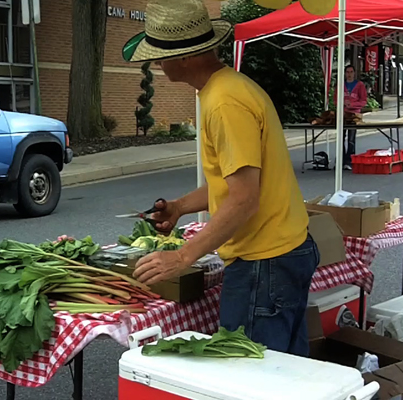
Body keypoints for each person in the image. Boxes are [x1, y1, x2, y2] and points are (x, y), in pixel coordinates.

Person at [124, 0, 319, 356]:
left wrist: (183, 257)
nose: (157, 63)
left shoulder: (224, 103)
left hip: (265, 262)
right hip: (280, 254)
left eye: (160, 54)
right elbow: (232, 186)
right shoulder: (226, 89)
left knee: (253, 380)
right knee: (288, 376)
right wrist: (181, 207)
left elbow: (245, 199)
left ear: (184, 56)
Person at [336, 65, 368, 170]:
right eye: (347, 72)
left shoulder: (359, 85)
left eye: (351, 72)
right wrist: (342, 103)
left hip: (354, 115)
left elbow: (363, 101)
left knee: (351, 139)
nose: (349, 74)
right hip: (343, 114)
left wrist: (353, 105)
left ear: (354, 73)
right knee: (340, 138)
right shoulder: (340, 85)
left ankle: (350, 161)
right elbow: (335, 99)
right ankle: (341, 160)